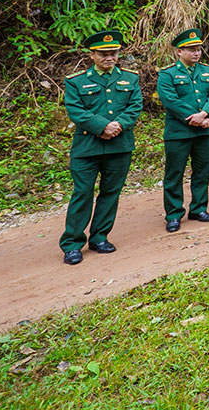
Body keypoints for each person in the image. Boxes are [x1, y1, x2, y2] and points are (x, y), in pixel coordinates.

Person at [60, 29, 143, 265]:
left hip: (119, 146)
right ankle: (73, 244)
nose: (109, 58)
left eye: (113, 53)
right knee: (82, 193)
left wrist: (119, 125)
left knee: (110, 193)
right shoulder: (77, 81)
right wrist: (103, 126)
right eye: (103, 54)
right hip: (87, 149)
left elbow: (135, 106)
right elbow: (76, 110)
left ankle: (99, 237)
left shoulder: (130, 78)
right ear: (92, 55)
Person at [158, 28, 209, 232]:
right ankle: (174, 214)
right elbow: (170, 101)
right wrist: (198, 119)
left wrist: (205, 114)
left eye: (198, 49)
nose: (196, 53)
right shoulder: (168, 74)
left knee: (202, 171)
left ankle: (199, 208)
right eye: (191, 49)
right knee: (174, 173)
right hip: (178, 132)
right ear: (179, 51)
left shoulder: (208, 71)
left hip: (203, 132)